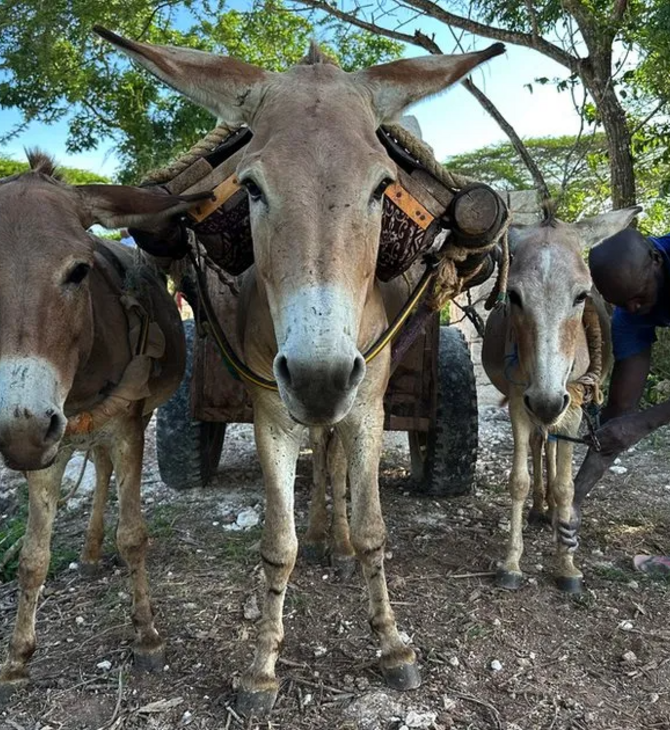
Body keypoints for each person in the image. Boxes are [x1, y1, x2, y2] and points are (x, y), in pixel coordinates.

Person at [572, 227, 670, 575]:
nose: (632, 306)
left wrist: (642, 424)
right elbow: (620, 413)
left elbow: (636, 422)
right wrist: (572, 502)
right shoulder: (630, 311)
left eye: (639, 297)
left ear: (656, 261)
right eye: (621, 302)